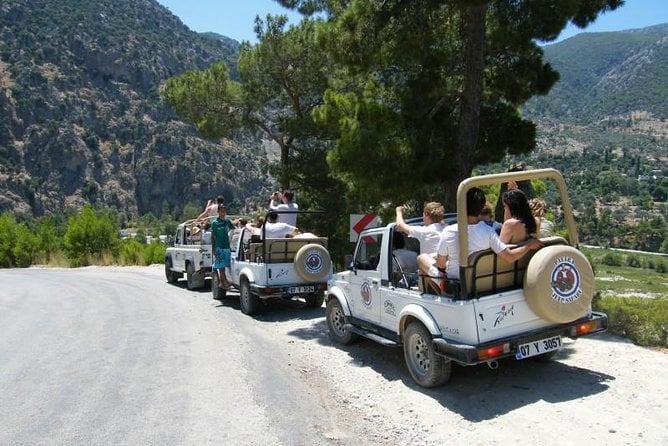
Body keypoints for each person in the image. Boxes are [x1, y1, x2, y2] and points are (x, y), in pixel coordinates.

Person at [417, 187, 542, 290]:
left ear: (461, 205)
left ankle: (442, 292)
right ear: (481, 207)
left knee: (422, 259)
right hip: (481, 280)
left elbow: (441, 264)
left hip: (458, 284)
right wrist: (528, 244)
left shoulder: (449, 231)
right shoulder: (488, 231)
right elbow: (508, 255)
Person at [211, 204, 235, 292]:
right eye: (221, 211)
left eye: (224, 211)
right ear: (218, 212)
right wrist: (213, 248)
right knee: (221, 266)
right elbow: (213, 236)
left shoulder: (227, 221)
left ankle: (222, 282)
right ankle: (224, 282)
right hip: (219, 246)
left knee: (226, 264)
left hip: (226, 246)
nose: (223, 213)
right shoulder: (215, 223)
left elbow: (233, 229)